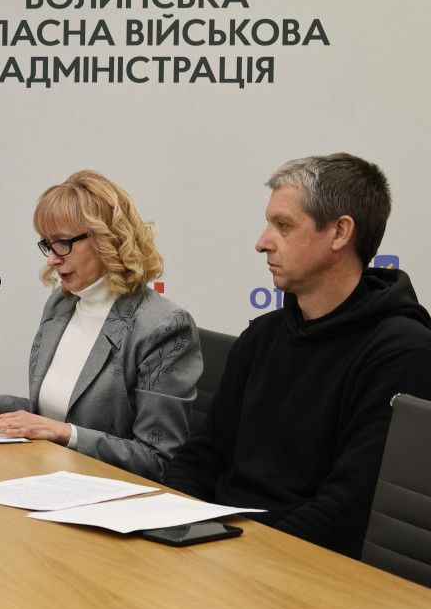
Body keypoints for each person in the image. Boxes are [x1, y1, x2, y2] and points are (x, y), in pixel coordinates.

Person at [164, 153, 431, 558]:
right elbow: (202, 454)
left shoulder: (402, 353)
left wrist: (242, 560)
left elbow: (348, 509)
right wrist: (171, 524)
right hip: (220, 547)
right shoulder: (262, 335)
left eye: (283, 225)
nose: (262, 242)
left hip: (300, 566)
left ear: (340, 232)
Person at [0, 170, 201, 481]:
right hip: (47, 476)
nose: (51, 259)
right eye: (48, 244)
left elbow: (158, 459)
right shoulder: (62, 302)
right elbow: (54, 414)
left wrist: (64, 433)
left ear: (107, 239)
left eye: (63, 244)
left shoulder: (162, 326)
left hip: (106, 493)